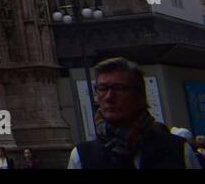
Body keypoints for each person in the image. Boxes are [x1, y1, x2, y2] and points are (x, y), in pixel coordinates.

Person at [68, 57, 200, 169]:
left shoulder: (178, 150)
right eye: (102, 89)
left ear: (140, 95)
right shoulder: (82, 156)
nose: (109, 97)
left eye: (119, 88)